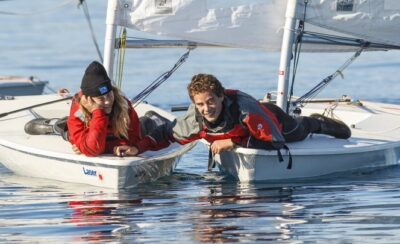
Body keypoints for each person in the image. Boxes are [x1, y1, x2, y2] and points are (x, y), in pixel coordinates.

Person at [135, 73, 351, 161]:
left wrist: (232, 141)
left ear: (221, 97)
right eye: (200, 104)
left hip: (271, 119)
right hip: (252, 123)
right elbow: (166, 133)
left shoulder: (245, 112)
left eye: (211, 101)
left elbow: (277, 143)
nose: (206, 108)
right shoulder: (196, 119)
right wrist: (139, 147)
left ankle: (318, 122)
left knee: (299, 130)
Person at [25, 61, 164, 157]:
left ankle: (150, 119)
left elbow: (132, 141)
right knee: (67, 131)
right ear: (89, 100)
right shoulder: (78, 110)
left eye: (109, 94)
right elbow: (93, 150)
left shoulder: (122, 104)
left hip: (111, 133)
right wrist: (98, 111)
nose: (108, 101)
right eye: (101, 98)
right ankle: (52, 126)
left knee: (143, 127)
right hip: (88, 128)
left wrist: (114, 147)